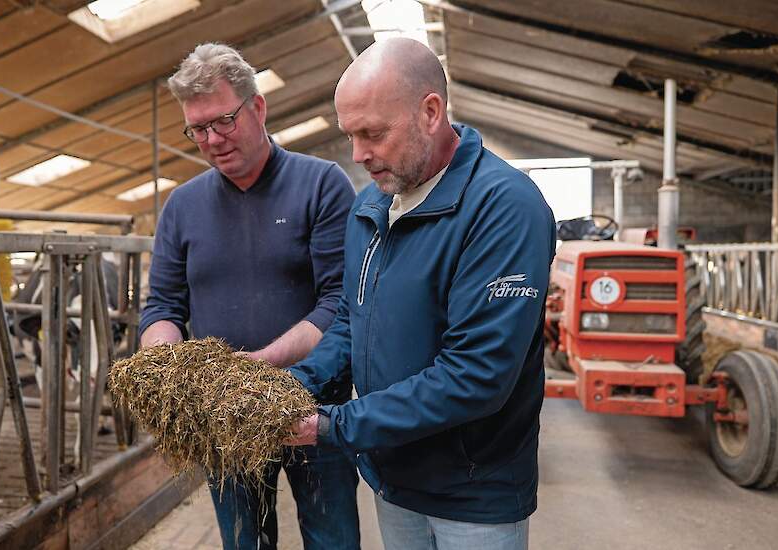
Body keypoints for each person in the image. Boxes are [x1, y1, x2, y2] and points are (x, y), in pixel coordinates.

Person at [285, 37, 556, 550]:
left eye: (373, 133)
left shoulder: (503, 207)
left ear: (430, 112)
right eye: (350, 136)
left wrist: (332, 426)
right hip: (393, 477)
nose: (359, 154)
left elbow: (476, 376)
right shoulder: (372, 207)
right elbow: (350, 320)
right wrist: (294, 386)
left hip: (473, 495)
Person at [138, 43, 360, 550]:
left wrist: (260, 366)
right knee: (245, 542)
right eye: (197, 129)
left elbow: (338, 303)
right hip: (223, 415)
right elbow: (163, 307)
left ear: (257, 108)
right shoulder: (182, 206)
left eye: (223, 121)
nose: (212, 140)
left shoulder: (321, 185)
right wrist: (168, 359)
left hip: (313, 406)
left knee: (332, 539)